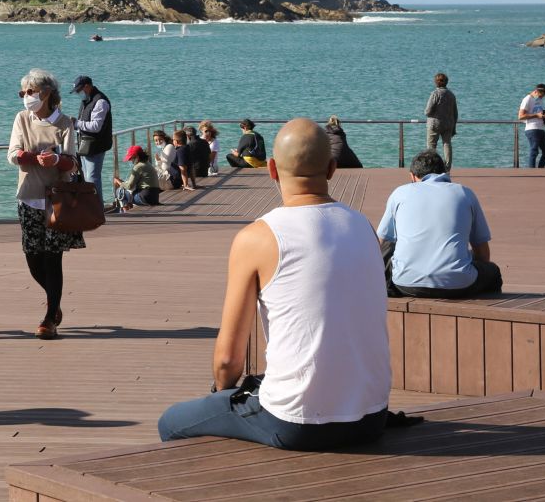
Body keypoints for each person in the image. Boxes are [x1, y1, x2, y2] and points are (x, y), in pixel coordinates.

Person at [158, 119, 391, 450]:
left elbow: (228, 360)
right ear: (332, 168)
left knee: (171, 422)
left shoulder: (258, 237)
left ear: (271, 169)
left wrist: (222, 393)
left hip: (295, 423)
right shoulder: (364, 227)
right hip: (371, 418)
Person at [9, 69, 82, 339]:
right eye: (23, 93)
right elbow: (12, 153)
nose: (26, 97)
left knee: (53, 258)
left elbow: (73, 163)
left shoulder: (64, 123)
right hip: (28, 195)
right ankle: (55, 299)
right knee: (32, 257)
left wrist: (57, 161)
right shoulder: (21, 119)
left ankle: (50, 317)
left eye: (31, 92)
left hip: (56, 199)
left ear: (47, 93)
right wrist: (28, 156)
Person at [376, 150, 502, 298]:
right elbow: (482, 253)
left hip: (404, 283)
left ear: (412, 176)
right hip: (459, 284)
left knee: (389, 244)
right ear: (445, 173)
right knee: (493, 271)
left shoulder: (400, 193)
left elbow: (380, 242)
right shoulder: (465, 193)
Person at [70, 75, 112, 206]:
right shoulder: (88, 101)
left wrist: (76, 124)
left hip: (96, 146)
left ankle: (97, 208)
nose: (78, 93)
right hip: (86, 145)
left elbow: (96, 126)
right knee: (88, 178)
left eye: (79, 90)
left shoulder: (100, 101)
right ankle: (92, 207)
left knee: (93, 178)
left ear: (87, 86)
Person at [112, 144, 161, 212]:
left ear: (137, 157)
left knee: (120, 191)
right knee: (127, 191)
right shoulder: (147, 163)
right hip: (154, 198)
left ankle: (125, 212)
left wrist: (118, 181)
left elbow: (129, 186)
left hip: (145, 198)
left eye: (131, 158)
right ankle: (129, 207)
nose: (131, 161)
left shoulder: (138, 167)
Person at [424, 73, 459, 170]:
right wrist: (454, 127)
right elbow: (455, 113)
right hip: (448, 124)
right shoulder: (451, 95)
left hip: (434, 124)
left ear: (436, 82)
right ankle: (447, 168)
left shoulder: (435, 94)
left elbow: (427, 111)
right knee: (447, 144)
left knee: (431, 146)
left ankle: (432, 167)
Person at [518, 83, 545, 168]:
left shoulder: (539, 100)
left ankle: (540, 169)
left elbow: (539, 111)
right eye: (541, 96)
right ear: (536, 91)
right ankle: (532, 172)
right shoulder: (527, 99)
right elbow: (521, 116)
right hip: (532, 128)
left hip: (541, 128)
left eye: (543, 96)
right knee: (534, 151)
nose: (541, 98)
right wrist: (536, 116)